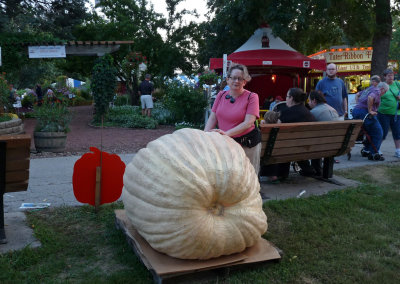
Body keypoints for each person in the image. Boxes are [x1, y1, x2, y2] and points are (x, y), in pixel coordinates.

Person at [204, 63, 261, 173]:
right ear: (228, 79)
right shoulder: (220, 95)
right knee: (229, 176)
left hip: (247, 144)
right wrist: (204, 136)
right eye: (233, 78)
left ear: (245, 81)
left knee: (248, 177)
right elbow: (212, 118)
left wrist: (226, 134)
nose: (236, 81)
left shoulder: (252, 97)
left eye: (240, 78)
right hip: (226, 144)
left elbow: (248, 123)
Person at [353, 82, 389, 161]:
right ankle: (374, 153)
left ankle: (366, 150)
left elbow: (357, 95)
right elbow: (370, 97)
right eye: (385, 91)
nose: (384, 93)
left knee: (369, 132)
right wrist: (370, 110)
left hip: (357, 111)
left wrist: (358, 104)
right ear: (382, 89)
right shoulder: (377, 91)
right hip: (365, 113)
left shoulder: (370, 88)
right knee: (378, 133)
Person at [377, 69, 400, 158]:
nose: (391, 77)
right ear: (385, 77)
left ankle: (398, 150)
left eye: (392, 75)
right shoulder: (382, 86)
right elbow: (377, 98)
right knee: (383, 132)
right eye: (389, 75)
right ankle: (377, 149)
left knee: (397, 132)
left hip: (396, 113)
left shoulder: (397, 84)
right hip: (383, 113)